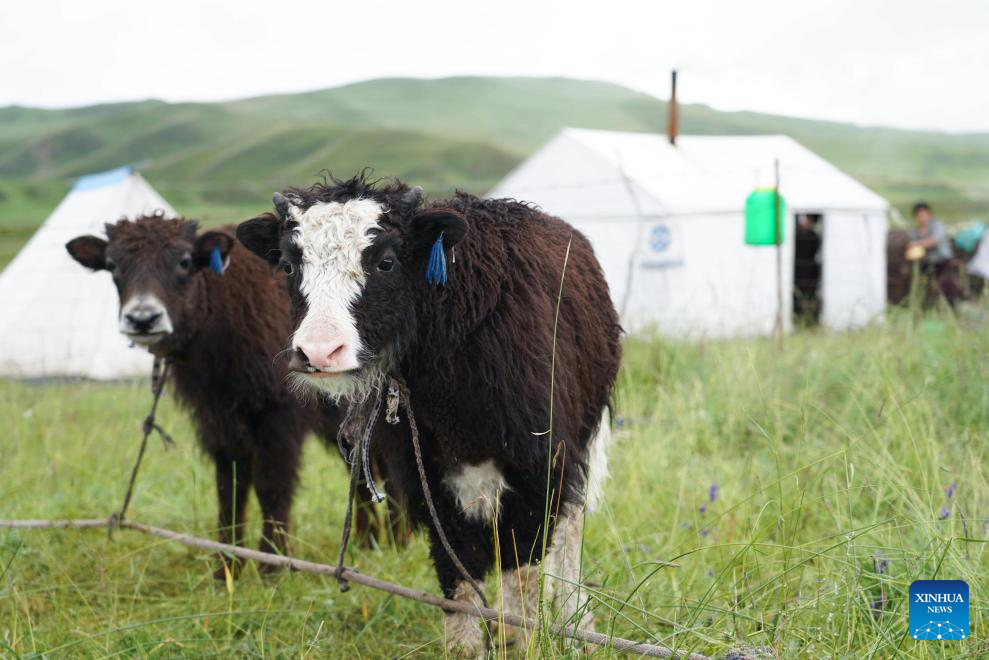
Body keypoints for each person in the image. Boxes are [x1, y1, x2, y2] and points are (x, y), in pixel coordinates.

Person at [908, 201, 960, 307]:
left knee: (947, 285)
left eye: (924, 214)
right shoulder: (916, 231)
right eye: (919, 215)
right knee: (928, 286)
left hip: (943, 260)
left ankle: (951, 307)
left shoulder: (937, 225)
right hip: (928, 262)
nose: (922, 217)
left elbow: (934, 241)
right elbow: (912, 248)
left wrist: (917, 244)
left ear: (929, 214)